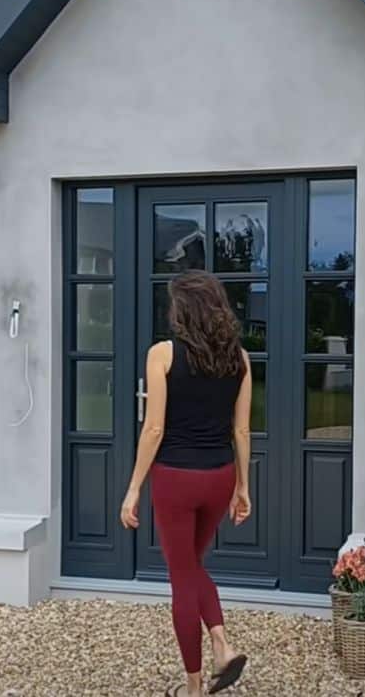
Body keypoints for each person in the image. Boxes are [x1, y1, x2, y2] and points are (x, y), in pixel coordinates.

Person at [120, 270, 252, 697]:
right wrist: (243, 487)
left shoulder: (161, 354)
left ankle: (196, 685)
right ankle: (221, 645)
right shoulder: (240, 359)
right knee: (192, 567)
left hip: (176, 478)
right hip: (219, 476)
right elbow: (242, 432)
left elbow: (154, 428)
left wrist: (134, 487)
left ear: (182, 311)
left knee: (182, 576)